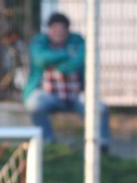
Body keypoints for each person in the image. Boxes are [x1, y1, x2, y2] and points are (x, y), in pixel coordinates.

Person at [23, 12, 111, 149]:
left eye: (61, 29)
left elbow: (82, 60)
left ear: (67, 30)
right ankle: (48, 142)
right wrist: (67, 54)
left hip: (75, 94)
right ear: (49, 30)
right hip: (49, 95)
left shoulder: (77, 41)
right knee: (34, 104)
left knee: (100, 108)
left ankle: (100, 145)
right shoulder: (40, 42)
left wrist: (59, 65)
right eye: (55, 29)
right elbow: (41, 59)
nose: (58, 33)